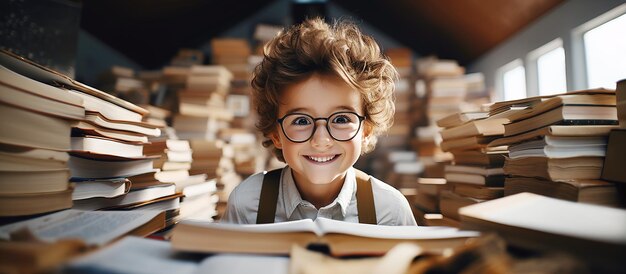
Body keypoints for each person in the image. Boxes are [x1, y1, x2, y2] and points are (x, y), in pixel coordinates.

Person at [222, 17, 417, 226]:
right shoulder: (246, 205)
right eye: (301, 121)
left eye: (341, 119)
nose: (321, 140)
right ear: (276, 134)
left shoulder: (390, 211)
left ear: (365, 130)